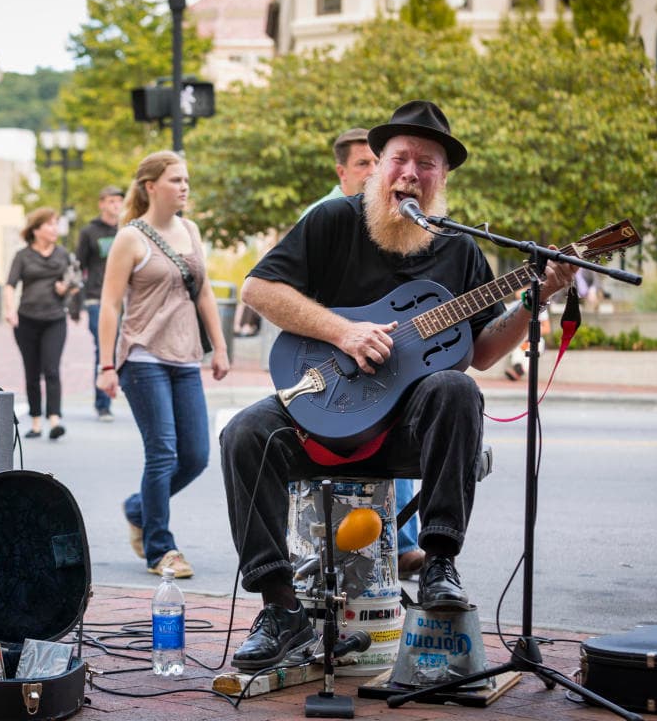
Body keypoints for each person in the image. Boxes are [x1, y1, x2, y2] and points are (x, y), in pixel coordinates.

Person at [220, 101, 575, 671]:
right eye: (400, 159)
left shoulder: (460, 250)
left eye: (427, 164)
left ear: (442, 178)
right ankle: (281, 607)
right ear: (377, 167)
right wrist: (343, 332)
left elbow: (482, 353)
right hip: (323, 411)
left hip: (404, 432)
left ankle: (438, 564)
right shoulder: (334, 222)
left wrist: (537, 300)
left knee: (457, 390)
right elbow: (260, 290)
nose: (411, 173)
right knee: (243, 434)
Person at [96, 151, 230, 579]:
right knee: (162, 453)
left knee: (195, 455)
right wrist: (105, 364)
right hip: (142, 356)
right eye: (175, 179)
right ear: (151, 186)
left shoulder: (190, 231)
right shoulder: (131, 238)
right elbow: (109, 305)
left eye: (186, 179)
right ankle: (160, 548)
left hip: (186, 355)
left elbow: (204, 294)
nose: (184, 187)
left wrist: (220, 348)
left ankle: (139, 508)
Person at [301, 128, 424, 579]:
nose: (374, 173)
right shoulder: (324, 217)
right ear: (342, 172)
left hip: (385, 363)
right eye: (363, 165)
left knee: (411, 398)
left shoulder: (400, 222)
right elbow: (284, 300)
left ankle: (404, 544)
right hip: (331, 366)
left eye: (378, 163)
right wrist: (343, 334)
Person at [3, 208, 78, 440]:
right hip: (26, 319)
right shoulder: (22, 255)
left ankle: (54, 419)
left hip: (55, 318)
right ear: (36, 229)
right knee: (32, 371)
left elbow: (75, 282)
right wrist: (10, 311)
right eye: (49, 224)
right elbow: (9, 285)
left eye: (56, 224)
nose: (55, 229)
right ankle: (36, 421)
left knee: (52, 368)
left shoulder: (63, 254)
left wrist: (65, 289)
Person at [76, 185, 125, 422]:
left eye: (119, 201)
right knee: (104, 347)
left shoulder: (129, 229)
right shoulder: (89, 232)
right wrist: (77, 302)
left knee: (126, 347)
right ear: (102, 203)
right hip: (98, 297)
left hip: (127, 298)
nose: (116, 205)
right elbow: (79, 266)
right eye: (111, 201)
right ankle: (103, 403)